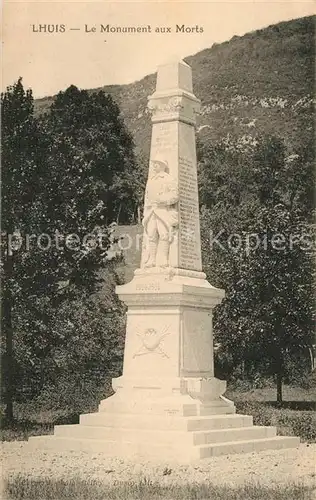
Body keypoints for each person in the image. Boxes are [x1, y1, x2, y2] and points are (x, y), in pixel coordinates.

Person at [142, 158, 178, 268]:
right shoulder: (151, 179)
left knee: (164, 234)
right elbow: (147, 196)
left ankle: (163, 259)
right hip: (151, 211)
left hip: (163, 211)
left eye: (157, 163)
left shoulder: (168, 179)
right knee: (152, 235)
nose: (154, 165)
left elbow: (175, 195)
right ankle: (152, 259)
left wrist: (162, 200)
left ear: (162, 165)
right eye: (154, 163)